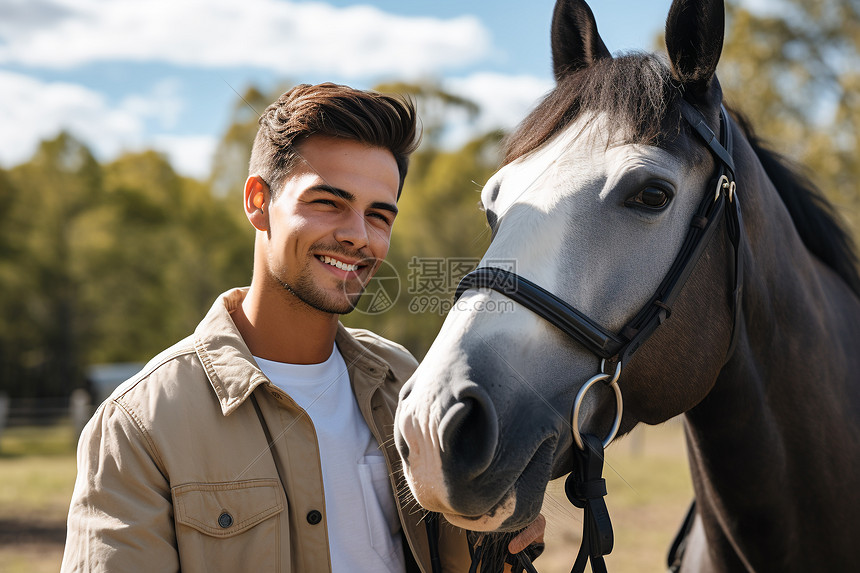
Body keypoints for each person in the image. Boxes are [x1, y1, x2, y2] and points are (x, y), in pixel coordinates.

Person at [61, 83, 542, 572]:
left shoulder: (407, 384)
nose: (358, 234)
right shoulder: (140, 425)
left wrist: (493, 538)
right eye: (328, 202)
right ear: (257, 201)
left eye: (378, 215)